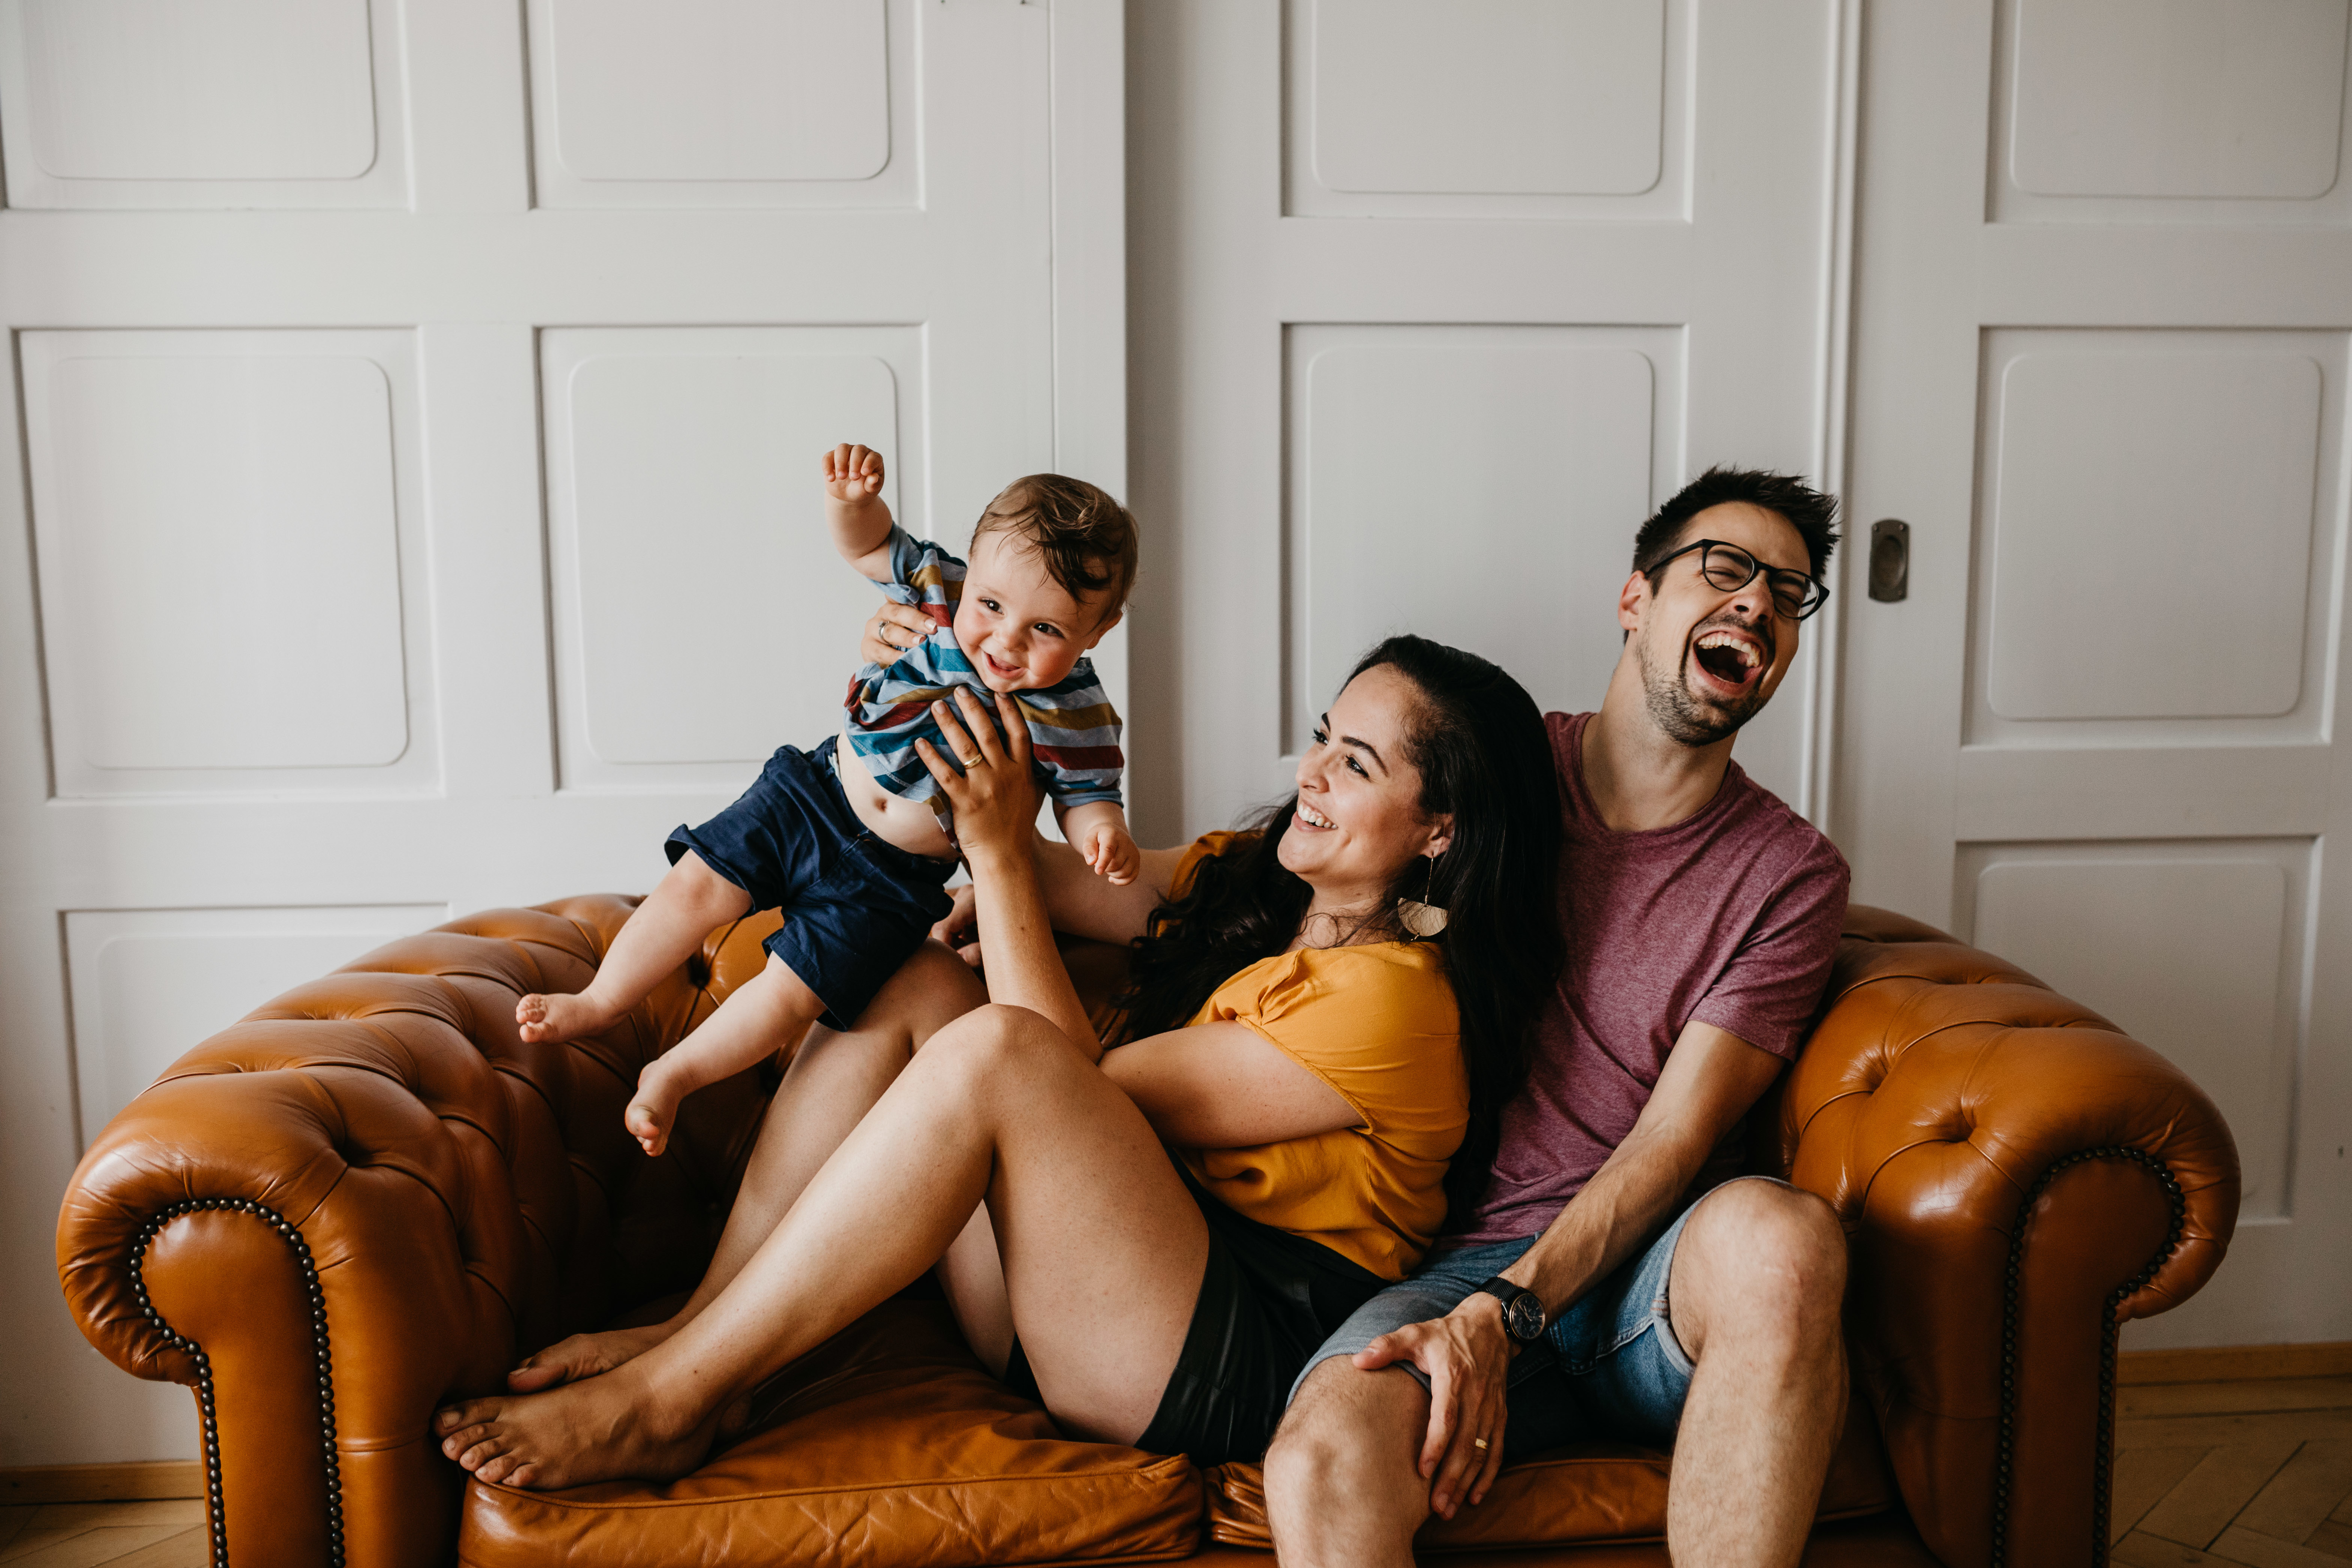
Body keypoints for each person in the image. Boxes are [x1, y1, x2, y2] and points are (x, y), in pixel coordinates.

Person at [431, 635, 1563, 1487]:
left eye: (1353, 763)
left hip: (1226, 1356)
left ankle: (667, 1402)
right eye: (1321, 733)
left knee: (1004, 1053)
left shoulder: (1399, 1006)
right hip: (1078, 1296)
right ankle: (697, 1341)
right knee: (907, 973)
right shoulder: (1258, 878)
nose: (1310, 772)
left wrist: (995, 862)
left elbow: (1063, 1084)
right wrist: (931, 709)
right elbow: (1026, 860)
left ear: (1439, 831)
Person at [1257, 468, 1855, 1568]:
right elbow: (1288, 858)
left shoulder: (1787, 874)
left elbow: (1671, 1140)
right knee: (1318, 1457)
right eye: (1724, 570)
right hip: (1436, 1266)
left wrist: (1507, 1312)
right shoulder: (1493, 766)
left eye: (1786, 592)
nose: (1757, 605)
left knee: (1782, 1237)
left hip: (1639, 1281)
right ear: (1633, 598)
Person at [506, 444, 1139, 1159]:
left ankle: (675, 1073)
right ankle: (601, 999)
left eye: (1046, 629)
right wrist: (852, 503)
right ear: (972, 571)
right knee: (696, 885)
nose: (1004, 639)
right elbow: (871, 546)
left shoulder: (1077, 709)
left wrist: (1102, 833)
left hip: (896, 880)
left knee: (793, 990)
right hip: (815, 792)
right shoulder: (942, 591)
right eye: (992, 604)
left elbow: (1087, 791)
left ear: (1098, 630)